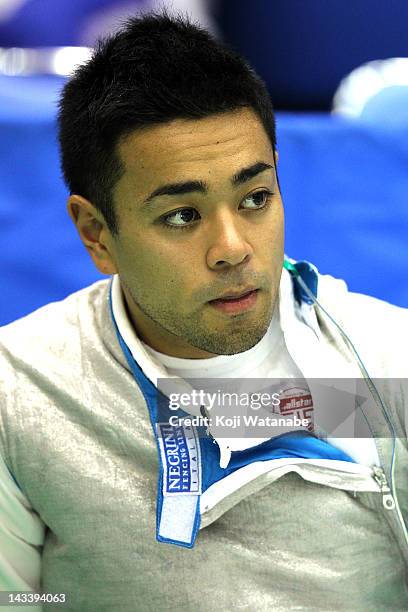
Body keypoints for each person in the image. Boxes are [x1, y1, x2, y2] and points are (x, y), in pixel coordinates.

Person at [0, 10, 407, 611]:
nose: (234, 249)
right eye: (182, 215)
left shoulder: (384, 362)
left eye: (255, 198)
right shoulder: (22, 391)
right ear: (96, 234)